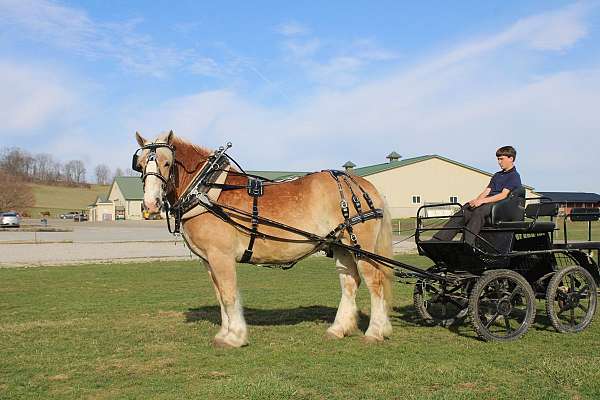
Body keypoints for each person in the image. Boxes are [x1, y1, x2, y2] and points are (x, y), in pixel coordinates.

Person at [432, 146, 522, 245]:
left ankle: (466, 242)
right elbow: (486, 192)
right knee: (465, 210)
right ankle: (438, 240)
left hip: (501, 206)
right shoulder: (497, 175)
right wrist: (476, 201)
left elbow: (503, 195)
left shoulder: (514, 176)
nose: (499, 162)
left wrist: (481, 202)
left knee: (479, 211)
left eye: (501, 159)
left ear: (511, 158)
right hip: (489, 203)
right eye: (498, 159)